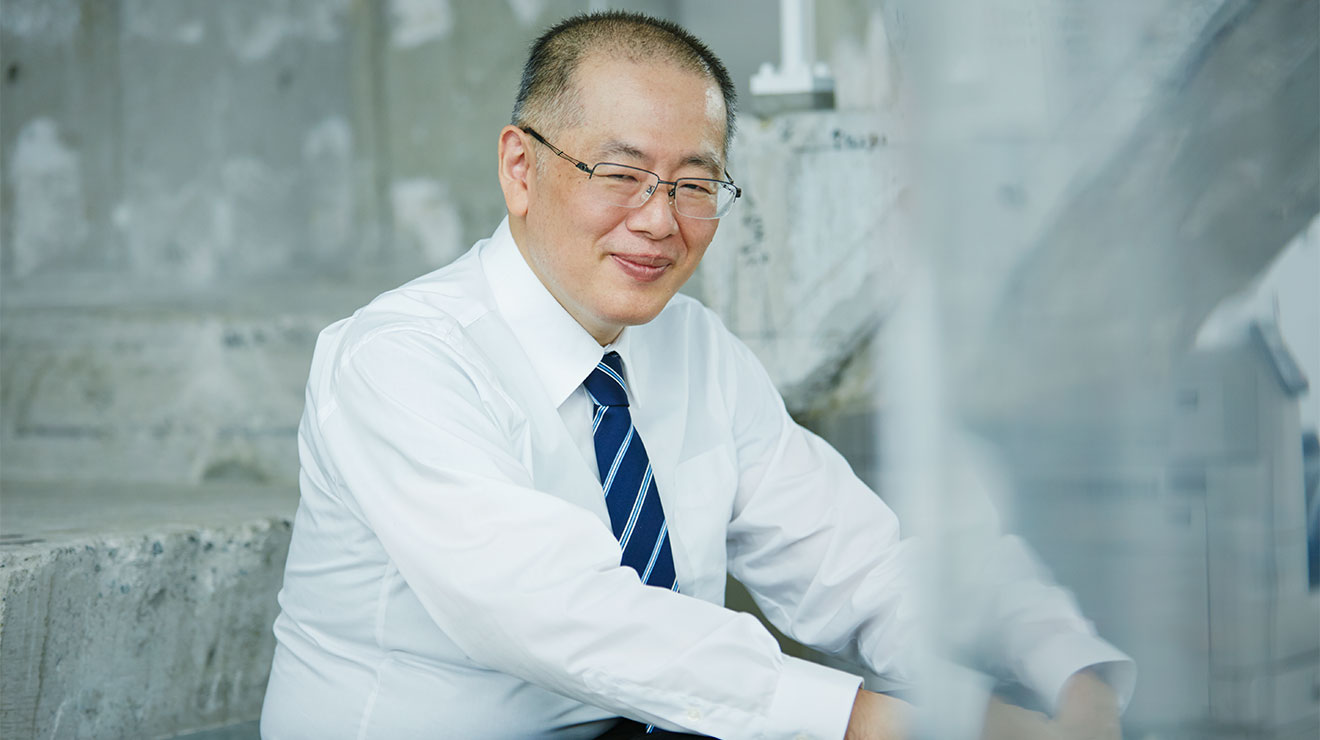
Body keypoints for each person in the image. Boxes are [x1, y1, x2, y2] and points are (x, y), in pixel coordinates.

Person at [261, 12, 1132, 740]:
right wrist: (886, 722)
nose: (660, 220)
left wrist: (1065, 666)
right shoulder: (400, 359)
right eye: (621, 173)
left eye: (695, 183)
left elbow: (857, 561)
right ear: (520, 168)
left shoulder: (694, 349)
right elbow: (563, 613)